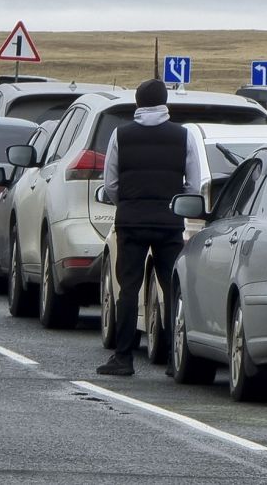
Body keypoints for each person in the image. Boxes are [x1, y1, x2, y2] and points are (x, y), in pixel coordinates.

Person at [97, 78, 201, 376]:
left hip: (130, 220)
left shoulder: (121, 135)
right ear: (165, 101)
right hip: (169, 221)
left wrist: (127, 203)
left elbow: (111, 183)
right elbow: (192, 184)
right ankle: (173, 358)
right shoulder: (184, 136)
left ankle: (123, 358)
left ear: (138, 103)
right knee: (171, 289)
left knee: (128, 288)